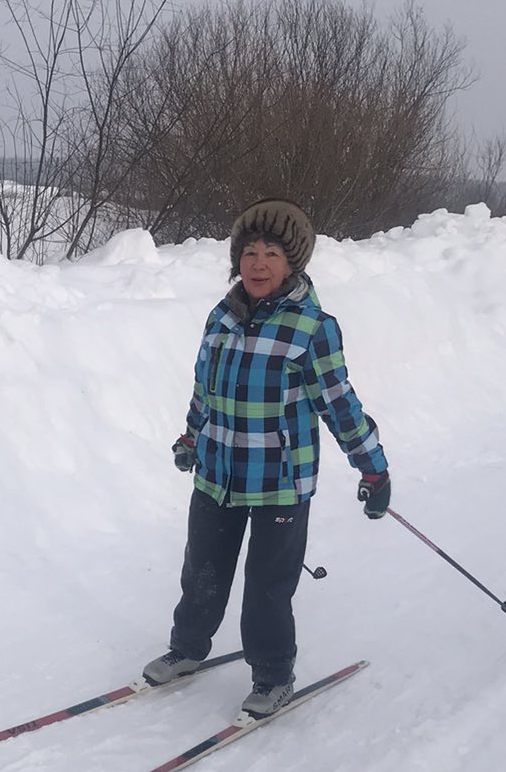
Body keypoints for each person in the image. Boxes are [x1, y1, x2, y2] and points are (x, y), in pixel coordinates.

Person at [143, 198, 390, 716]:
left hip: (280, 481)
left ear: (292, 263)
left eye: (272, 253)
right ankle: (187, 649)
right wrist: (191, 439)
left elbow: (339, 403)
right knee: (202, 572)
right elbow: (204, 390)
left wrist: (371, 465)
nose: (258, 263)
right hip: (217, 474)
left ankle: (274, 675)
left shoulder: (312, 327)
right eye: (249, 252)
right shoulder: (221, 317)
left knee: (267, 589)